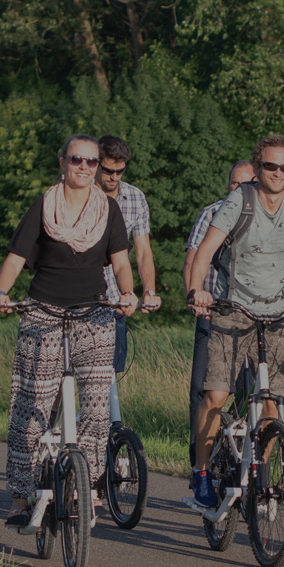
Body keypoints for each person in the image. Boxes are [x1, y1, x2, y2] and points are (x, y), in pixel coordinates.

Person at [0, 135, 138, 533]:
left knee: (95, 410)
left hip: (94, 312)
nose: (85, 168)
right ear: (62, 162)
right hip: (42, 311)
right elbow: (17, 258)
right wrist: (1, 292)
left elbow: (122, 263)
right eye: (77, 160)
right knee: (31, 408)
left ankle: (84, 487)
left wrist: (128, 292)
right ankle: (21, 497)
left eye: (92, 162)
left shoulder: (108, 210)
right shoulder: (44, 205)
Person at [187, 134, 284, 508]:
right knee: (217, 395)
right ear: (258, 168)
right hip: (233, 310)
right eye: (271, 166)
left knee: (274, 402)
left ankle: (259, 471)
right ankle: (202, 473)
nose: (278, 173)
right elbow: (205, 250)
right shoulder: (241, 200)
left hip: (275, 313)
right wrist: (196, 291)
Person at [182, 160, 284, 477]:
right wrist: (194, 294)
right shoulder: (212, 213)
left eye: (247, 181)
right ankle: (201, 462)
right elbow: (196, 256)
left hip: (262, 317)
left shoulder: (273, 216)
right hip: (216, 310)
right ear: (229, 186)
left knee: (261, 393)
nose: (242, 187)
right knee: (207, 391)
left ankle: (254, 469)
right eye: (236, 183)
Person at [94, 136, 160, 428]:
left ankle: (105, 440)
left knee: (109, 375)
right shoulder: (82, 195)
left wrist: (148, 290)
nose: (114, 177)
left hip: (117, 300)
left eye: (120, 171)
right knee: (73, 374)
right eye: (108, 170)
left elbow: (143, 250)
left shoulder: (135, 198)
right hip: (82, 298)